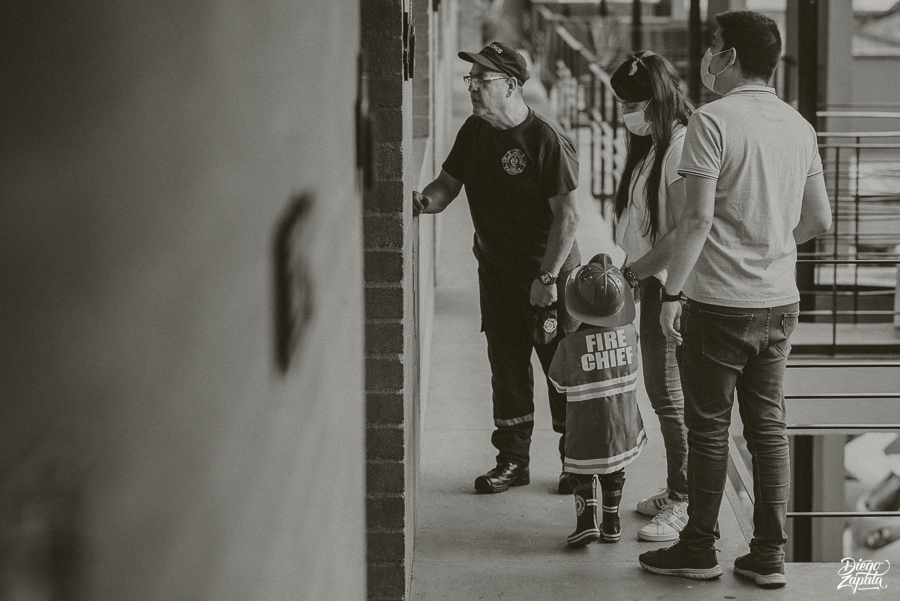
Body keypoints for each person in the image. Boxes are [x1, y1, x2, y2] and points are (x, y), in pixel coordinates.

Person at [638, 10, 832, 588]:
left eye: (715, 46)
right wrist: (767, 242)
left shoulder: (712, 121)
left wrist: (671, 292)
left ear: (732, 57)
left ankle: (699, 548)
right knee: (768, 427)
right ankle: (769, 556)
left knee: (709, 427)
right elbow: (819, 218)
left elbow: (695, 220)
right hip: (779, 301)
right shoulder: (799, 126)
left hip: (719, 303)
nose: (709, 56)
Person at [412, 41, 582, 494]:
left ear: (510, 85)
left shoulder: (544, 140)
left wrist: (547, 278)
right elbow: (447, 185)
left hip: (548, 276)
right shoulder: (474, 132)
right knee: (506, 367)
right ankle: (512, 461)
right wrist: (418, 202)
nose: (471, 88)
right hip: (497, 273)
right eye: (471, 80)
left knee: (560, 370)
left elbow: (568, 216)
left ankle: (576, 461)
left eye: (481, 80)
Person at [608, 51, 693, 543]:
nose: (625, 114)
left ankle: (684, 500)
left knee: (671, 397)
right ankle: (678, 488)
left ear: (655, 100)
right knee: (663, 394)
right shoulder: (654, 145)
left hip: (670, 289)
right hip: (651, 281)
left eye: (630, 104)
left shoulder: (680, 148)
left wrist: (638, 275)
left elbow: (682, 233)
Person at [548, 254, 646, 546]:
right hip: (623, 423)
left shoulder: (569, 345)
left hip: (585, 422)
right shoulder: (630, 334)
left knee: (580, 468)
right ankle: (612, 522)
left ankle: (585, 521)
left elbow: (557, 383)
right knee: (614, 468)